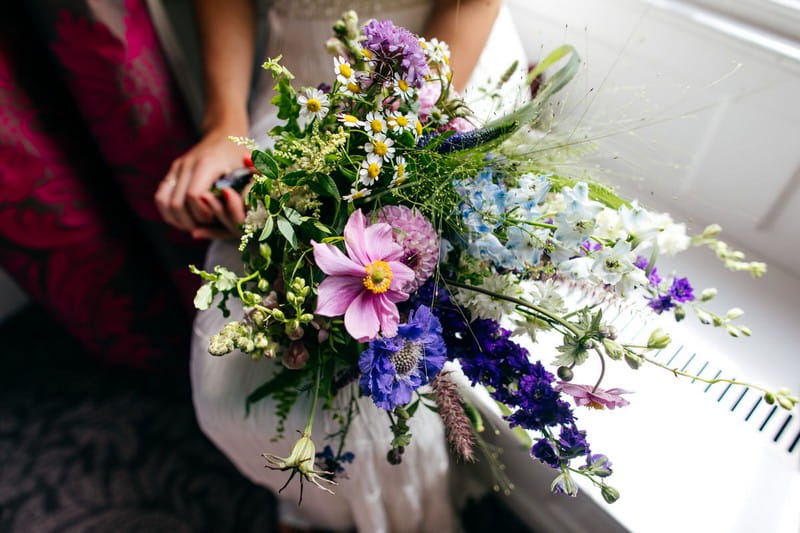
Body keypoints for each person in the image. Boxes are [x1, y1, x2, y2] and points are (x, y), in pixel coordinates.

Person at [156, 1, 528, 531]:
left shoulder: (433, 95)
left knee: (378, 410)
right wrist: (223, 127)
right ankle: (321, 511)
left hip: (443, 78)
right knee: (228, 397)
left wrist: (402, 149)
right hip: (305, 83)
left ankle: (410, 518)